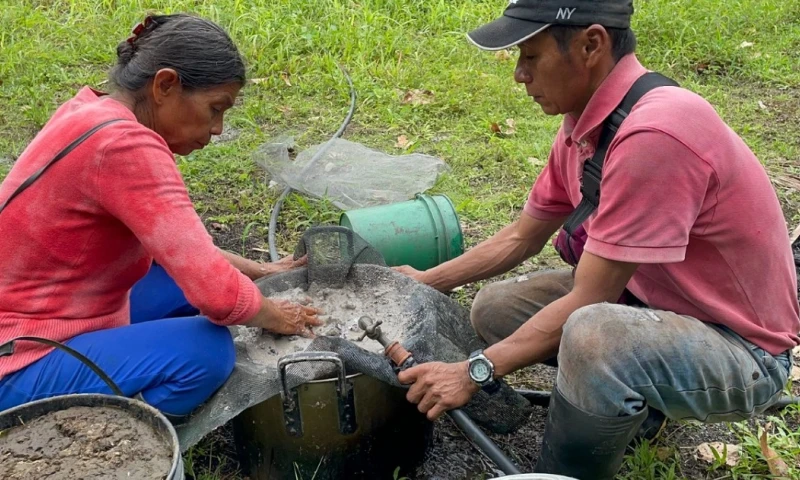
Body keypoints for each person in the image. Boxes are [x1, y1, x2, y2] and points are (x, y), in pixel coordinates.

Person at [394, 0, 799, 477]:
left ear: (591, 44)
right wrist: (425, 280)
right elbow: (521, 237)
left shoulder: (654, 134)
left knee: (594, 335)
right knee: (495, 309)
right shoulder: (586, 124)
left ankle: (563, 473)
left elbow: (592, 298)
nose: (520, 76)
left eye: (531, 56)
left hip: (741, 349)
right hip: (657, 305)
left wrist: (474, 371)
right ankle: (638, 409)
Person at [0, 14, 321, 420]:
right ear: (165, 85)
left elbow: (184, 252)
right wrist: (279, 315)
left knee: (175, 280)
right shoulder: (126, 146)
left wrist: (257, 270)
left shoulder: (90, 111)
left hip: (42, 317)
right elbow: (218, 296)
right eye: (214, 109)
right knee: (206, 352)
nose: (218, 129)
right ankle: (108, 439)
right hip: (19, 359)